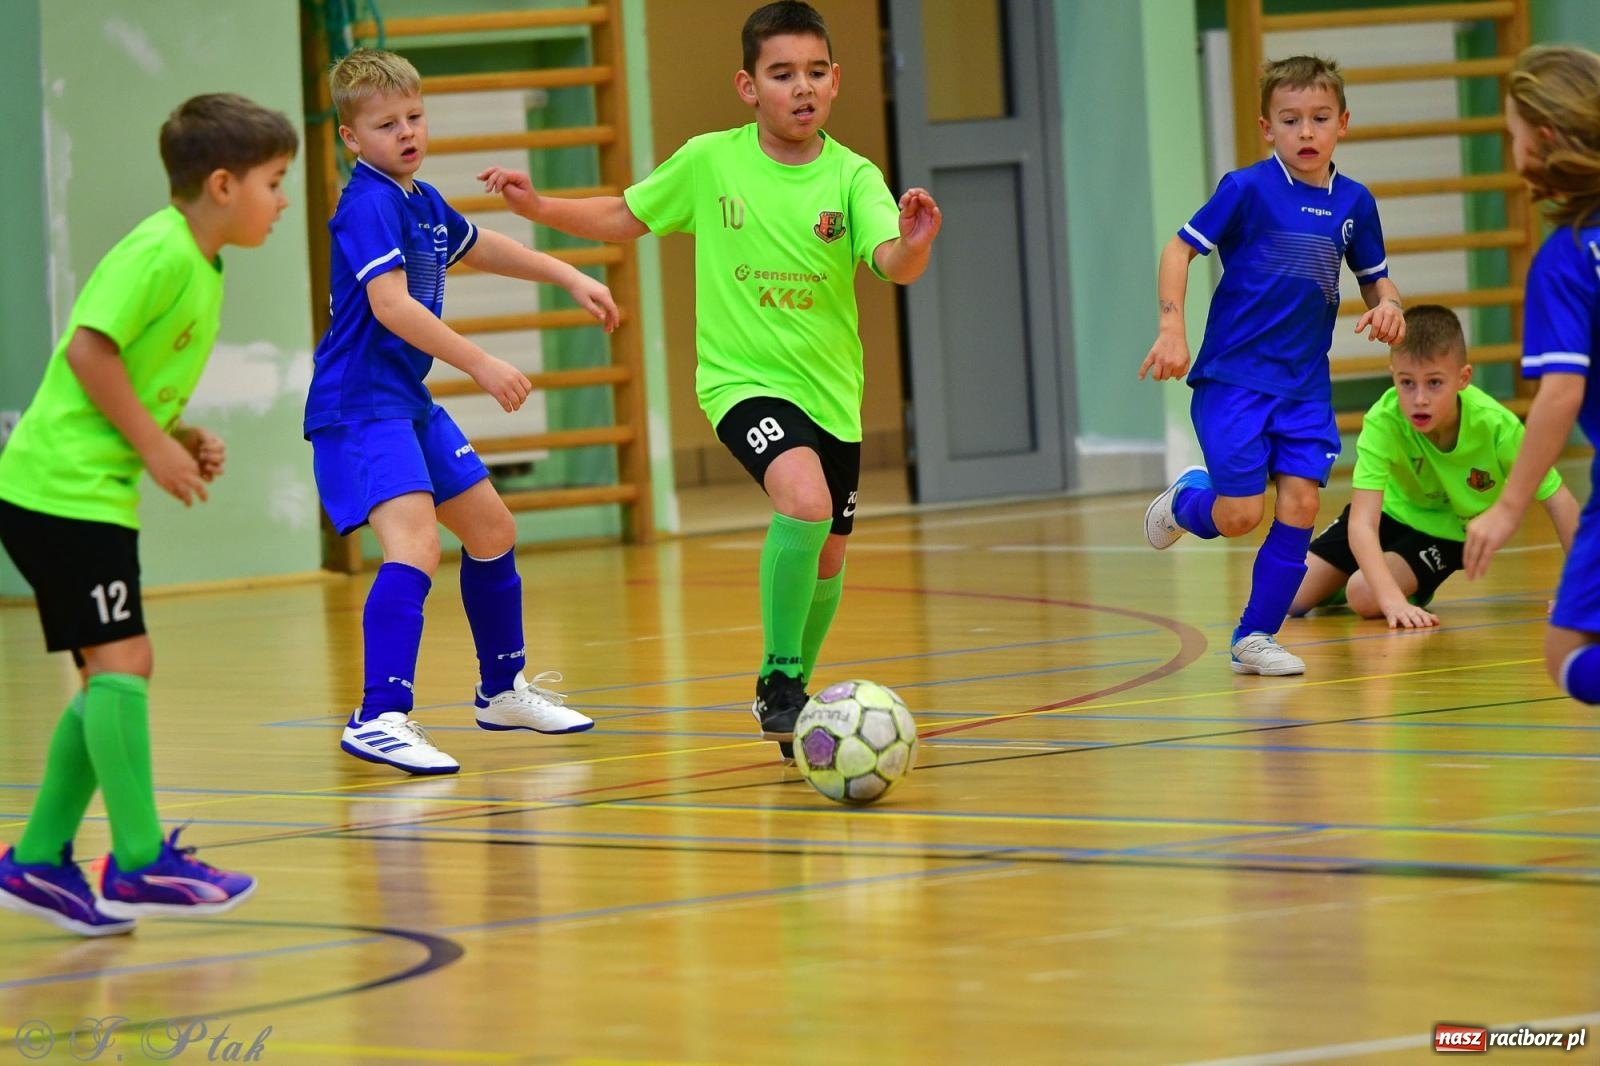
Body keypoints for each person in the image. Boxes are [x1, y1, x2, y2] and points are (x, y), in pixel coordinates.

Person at [480, 0, 941, 761]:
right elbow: (625, 216)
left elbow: (893, 262)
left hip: (831, 394)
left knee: (827, 554)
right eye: (782, 73)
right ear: (747, 86)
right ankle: (783, 682)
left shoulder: (854, 177)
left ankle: (787, 687)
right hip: (740, 381)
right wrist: (538, 207)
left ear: (836, 82)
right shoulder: (710, 161)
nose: (802, 87)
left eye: (816, 72)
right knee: (804, 501)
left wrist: (918, 243)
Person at [0, 94, 298, 936]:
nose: (281, 202)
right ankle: (135, 864)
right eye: (275, 184)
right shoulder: (160, 251)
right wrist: (154, 447)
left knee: (111, 669)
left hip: (82, 490)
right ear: (222, 184)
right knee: (124, 657)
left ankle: (39, 859)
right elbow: (88, 349)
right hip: (58, 488)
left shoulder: (201, 264)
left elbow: (121, 372)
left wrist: (176, 432)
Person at [310, 48, 620, 776]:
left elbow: (480, 247)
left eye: (414, 116)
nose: (407, 132)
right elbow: (390, 307)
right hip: (359, 407)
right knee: (414, 545)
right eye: (386, 124)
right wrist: (480, 362)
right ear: (352, 138)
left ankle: (501, 690)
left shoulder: (416, 198)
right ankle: (379, 715)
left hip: (403, 401)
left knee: (491, 529)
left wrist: (568, 272)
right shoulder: (368, 204)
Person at [1139, 54, 1406, 676]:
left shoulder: (1354, 204)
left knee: (1302, 508)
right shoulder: (1246, 189)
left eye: (1319, 119)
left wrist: (1390, 309)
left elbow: (1378, 282)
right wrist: (1171, 326)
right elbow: (1179, 249)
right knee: (1238, 516)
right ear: (1267, 128)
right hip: (1233, 381)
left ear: (1343, 122)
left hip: (1305, 388)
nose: (1305, 133)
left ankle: (1254, 636)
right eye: (1290, 120)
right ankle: (1188, 501)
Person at [1290, 304, 1578, 627]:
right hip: (1392, 514)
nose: (1420, 398)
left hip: (1449, 531)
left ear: (1463, 378)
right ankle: (1350, 580)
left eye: (1434, 383)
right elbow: (1361, 524)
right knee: (1289, 595)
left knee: (1366, 594)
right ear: (1393, 376)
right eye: (1407, 383)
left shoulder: (1497, 427)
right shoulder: (1383, 420)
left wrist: (1582, 588)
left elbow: (1560, 501)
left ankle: (1391, 586)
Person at [1463, 45, 1600, 706]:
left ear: (1543, 139)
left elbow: (1562, 390)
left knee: (1568, 654)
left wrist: (1510, 505)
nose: (1511, 149)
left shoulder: (1566, 260)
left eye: (1512, 134)